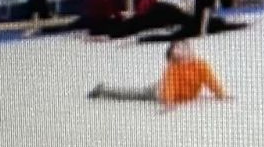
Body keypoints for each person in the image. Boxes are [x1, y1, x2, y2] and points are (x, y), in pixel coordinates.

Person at [87, 39, 230, 108]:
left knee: (134, 92)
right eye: (179, 48)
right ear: (173, 58)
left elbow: (211, 81)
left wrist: (221, 94)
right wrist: (169, 102)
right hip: (158, 91)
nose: (186, 48)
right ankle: (103, 90)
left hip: (178, 92)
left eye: (186, 46)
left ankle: (103, 89)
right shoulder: (173, 69)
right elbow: (169, 86)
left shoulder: (201, 65)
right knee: (132, 93)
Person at [137, 0, 248, 42]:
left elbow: (187, 10)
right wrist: (202, 32)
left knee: (171, 37)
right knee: (222, 25)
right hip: (199, 26)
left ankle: (146, 38)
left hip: (190, 24)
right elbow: (205, 14)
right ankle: (241, 25)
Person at [28, 0, 127, 37]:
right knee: (64, 29)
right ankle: (44, 27)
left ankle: (44, 25)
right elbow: (112, 13)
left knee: (65, 28)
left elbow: (111, 13)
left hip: (87, 19)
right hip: (90, 20)